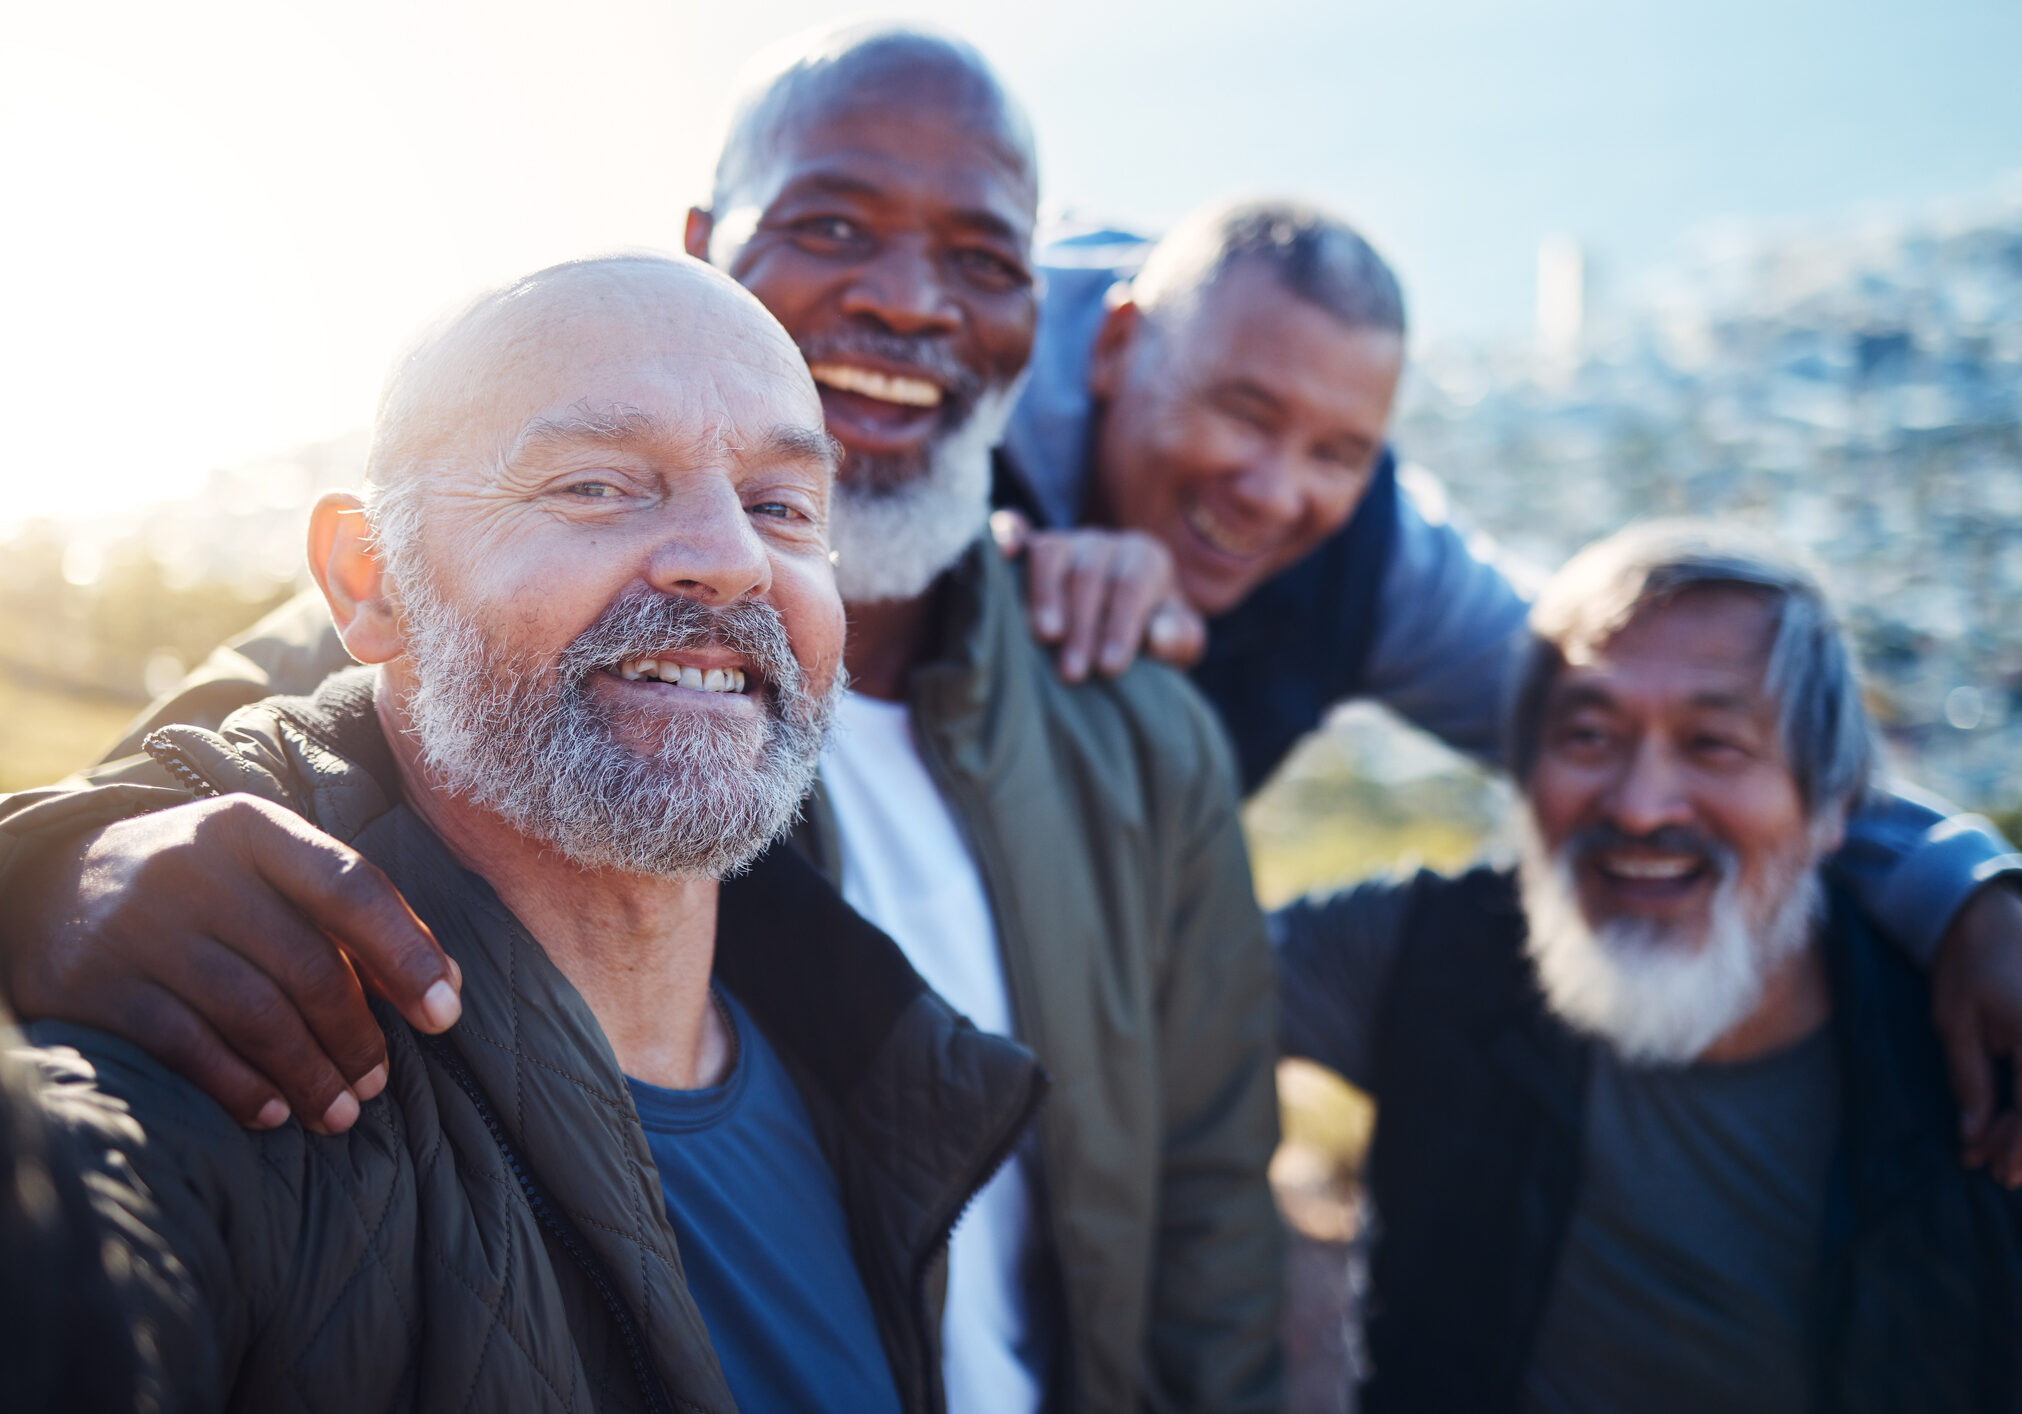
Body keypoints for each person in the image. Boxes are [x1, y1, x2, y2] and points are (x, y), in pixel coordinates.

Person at [0, 26, 1282, 1412]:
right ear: (709, 242)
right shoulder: (443, 618)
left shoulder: (1119, 710)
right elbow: (193, 793)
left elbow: (1211, 1222)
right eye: (600, 485)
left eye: (782, 503)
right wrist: (47, 874)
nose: (911, 301)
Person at [18, 252, 1054, 1411]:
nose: (730, 558)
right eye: (597, 486)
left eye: (782, 506)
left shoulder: (863, 1058)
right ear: (370, 580)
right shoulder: (223, 1052)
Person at [994, 198, 2022, 1177]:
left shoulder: (1371, 561)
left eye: (1338, 453)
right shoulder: (951, 417)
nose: (1274, 492)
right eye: (1242, 412)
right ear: (1117, 344)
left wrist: (1965, 887)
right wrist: (988, 609)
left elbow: (1618, 709)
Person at [1274, 521, 2022, 1413]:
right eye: (1589, 736)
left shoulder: (1972, 1043)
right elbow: (1155, 976)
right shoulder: (1429, 958)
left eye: (1713, 744)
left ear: (1834, 806)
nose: (1638, 806)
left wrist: (1974, 886)